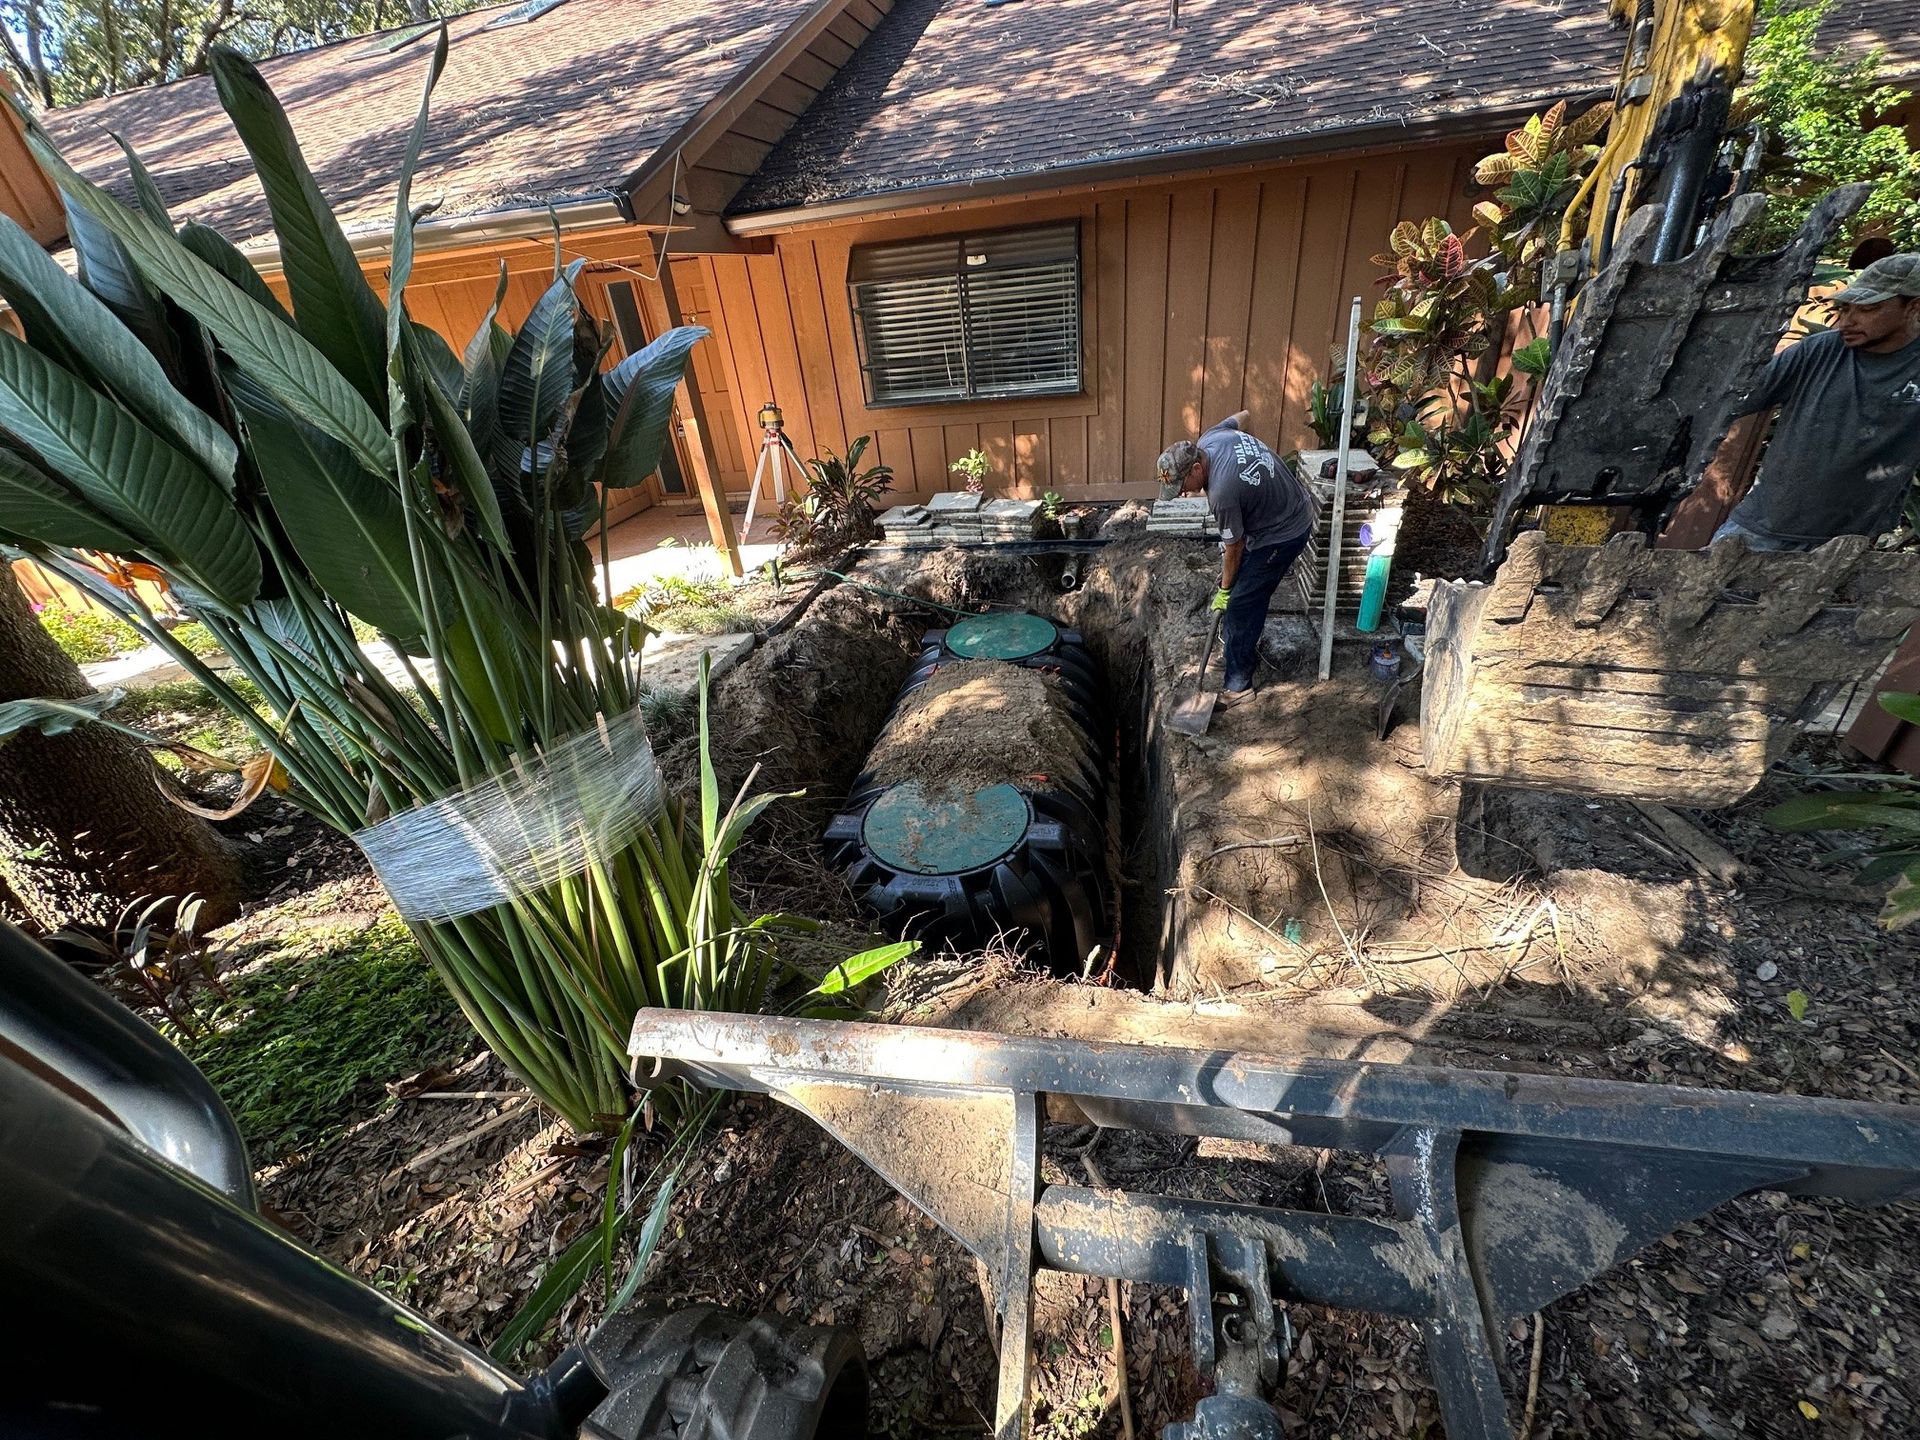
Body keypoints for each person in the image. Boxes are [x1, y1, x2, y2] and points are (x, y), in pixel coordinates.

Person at [1713, 252, 1920, 551]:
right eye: (1846, 308)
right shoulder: (1818, 351)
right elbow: (1732, 400)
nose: (1848, 321)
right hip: (1762, 531)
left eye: (1869, 309)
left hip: (1851, 546)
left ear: (1913, 307)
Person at [1157, 411, 1314, 707]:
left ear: (1194, 469)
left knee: (1243, 601)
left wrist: (1225, 590)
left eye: (1181, 487)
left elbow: (1235, 546)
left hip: (1284, 531)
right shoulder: (1212, 437)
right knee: (1237, 588)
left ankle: (1239, 683)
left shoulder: (1222, 492)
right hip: (1273, 513)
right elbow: (1241, 417)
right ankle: (1233, 650)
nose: (1181, 494)